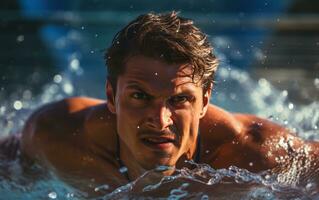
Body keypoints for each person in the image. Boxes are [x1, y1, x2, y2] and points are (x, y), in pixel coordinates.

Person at [1, 11, 318, 195]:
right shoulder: (57, 138)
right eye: (140, 96)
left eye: (180, 99)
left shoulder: (255, 156)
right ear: (112, 97)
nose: (160, 119)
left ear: (205, 101)